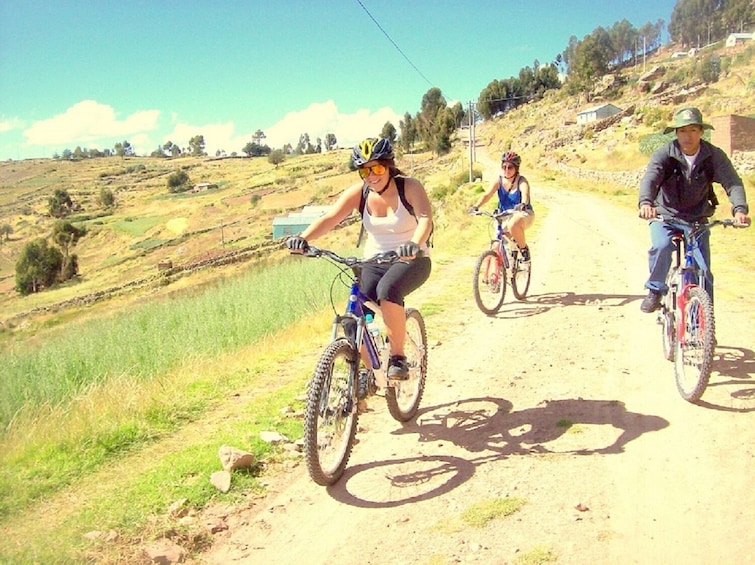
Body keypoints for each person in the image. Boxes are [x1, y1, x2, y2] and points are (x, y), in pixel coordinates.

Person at [286, 137, 433, 379]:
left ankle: (398, 358)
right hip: (375, 260)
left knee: (388, 290)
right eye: (364, 171)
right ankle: (369, 371)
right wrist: (303, 238)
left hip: (412, 258)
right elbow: (330, 218)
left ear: (389, 166)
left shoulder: (410, 187)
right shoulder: (360, 194)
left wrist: (414, 244)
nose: (371, 176)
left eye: (376, 168)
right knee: (353, 317)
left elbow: (425, 219)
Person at [638, 107, 750, 313]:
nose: (687, 136)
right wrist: (646, 203)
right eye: (682, 131)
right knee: (662, 246)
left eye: (692, 130)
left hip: (697, 218)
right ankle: (655, 289)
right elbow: (650, 179)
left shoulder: (713, 155)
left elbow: (732, 182)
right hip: (666, 215)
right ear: (676, 133)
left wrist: (740, 209)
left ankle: (703, 322)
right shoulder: (665, 154)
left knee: (704, 272)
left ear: (701, 132)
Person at [470, 150, 535, 261]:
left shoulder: (521, 181)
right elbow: (487, 195)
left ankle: (524, 249)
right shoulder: (499, 181)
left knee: (513, 225)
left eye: (510, 167)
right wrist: (476, 206)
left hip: (523, 214)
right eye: (504, 167)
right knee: (496, 247)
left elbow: (525, 193)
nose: (506, 170)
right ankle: (495, 276)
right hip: (504, 215)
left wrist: (523, 204)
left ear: (516, 168)